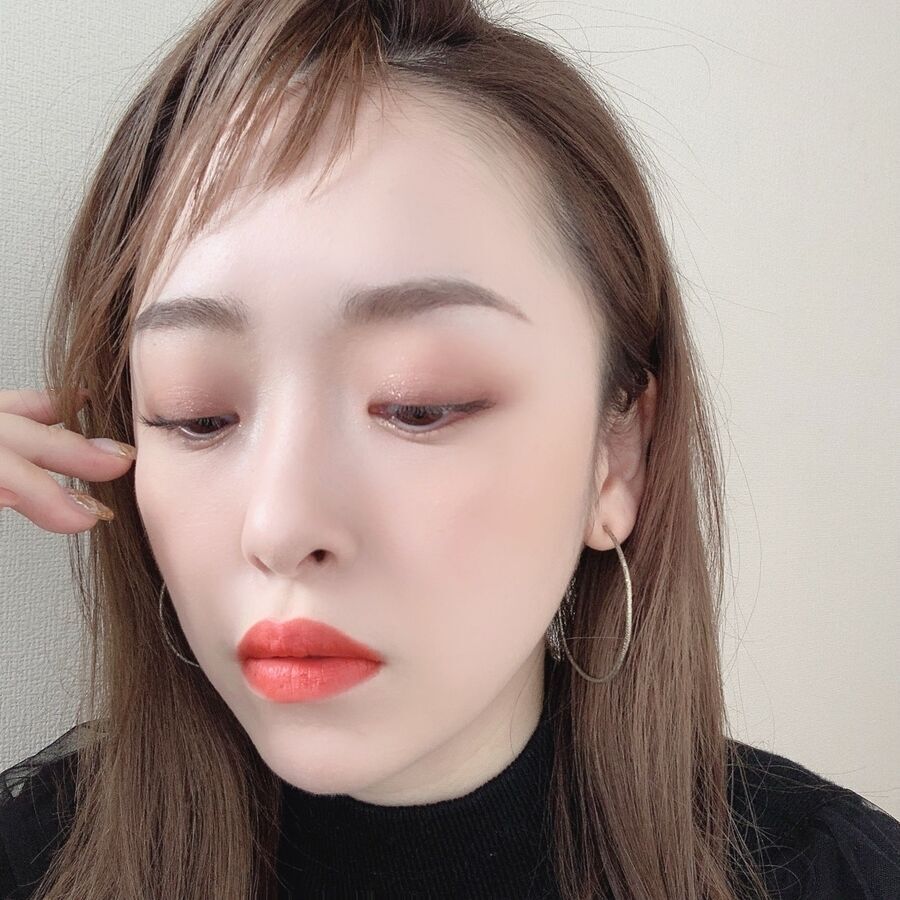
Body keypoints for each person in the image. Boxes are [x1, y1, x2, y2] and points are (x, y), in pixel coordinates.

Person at [1, 1, 898, 898]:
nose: (280, 527)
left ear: (617, 451)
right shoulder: (30, 862)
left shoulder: (832, 875)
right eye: (197, 417)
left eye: (419, 406)